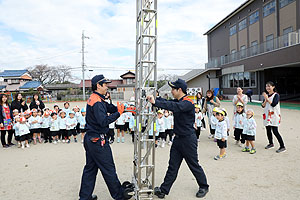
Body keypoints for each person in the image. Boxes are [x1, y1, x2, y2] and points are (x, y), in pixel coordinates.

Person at [147, 78, 209, 199]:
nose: (171, 91)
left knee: (193, 164)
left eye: (173, 89)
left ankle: (204, 186)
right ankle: (164, 189)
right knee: (172, 166)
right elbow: (170, 103)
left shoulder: (188, 102)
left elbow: (174, 106)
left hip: (188, 140)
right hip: (178, 139)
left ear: (179, 90)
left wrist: (156, 102)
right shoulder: (179, 101)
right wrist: (155, 100)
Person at [79, 74, 127, 200]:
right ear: (98, 85)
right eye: (105, 85)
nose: (107, 87)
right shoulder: (97, 102)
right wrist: (118, 113)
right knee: (108, 169)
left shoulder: (96, 98)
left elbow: (109, 107)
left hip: (91, 139)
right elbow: (103, 121)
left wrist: (123, 109)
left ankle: (85, 197)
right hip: (97, 140)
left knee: (90, 169)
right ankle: (119, 196)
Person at [262, 81, 286, 153]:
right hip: (267, 115)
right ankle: (271, 143)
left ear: (273, 87)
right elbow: (263, 106)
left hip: (274, 115)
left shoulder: (276, 95)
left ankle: (282, 146)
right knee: (268, 130)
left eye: (269, 86)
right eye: (266, 86)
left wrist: (267, 98)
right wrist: (265, 99)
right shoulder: (266, 95)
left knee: (275, 131)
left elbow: (273, 104)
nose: (268, 88)